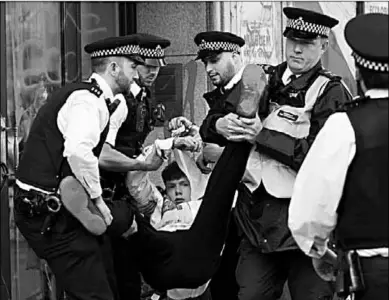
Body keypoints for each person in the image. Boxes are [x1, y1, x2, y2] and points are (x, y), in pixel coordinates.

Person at [197, 7, 354, 300]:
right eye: (292, 40)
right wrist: (220, 123)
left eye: (307, 43)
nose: (296, 49)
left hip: (306, 229)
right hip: (256, 224)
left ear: (324, 45)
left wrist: (262, 136)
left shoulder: (331, 92)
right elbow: (210, 122)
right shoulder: (261, 78)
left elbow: (321, 157)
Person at [13, 35, 144, 300]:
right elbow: (78, 151)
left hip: (59, 208)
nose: (136, 74)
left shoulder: (90, 96)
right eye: (132, 66)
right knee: (96, 294)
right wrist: (99, 201)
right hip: (47, 213)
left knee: (106, 276)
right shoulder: (87, 101)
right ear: (113, 68)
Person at [289, 13, 388, 300]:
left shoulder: (345, 125)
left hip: (370, 274)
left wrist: (317, 249)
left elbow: (311, 208)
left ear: (358, 71)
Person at [97, 33, 171, 300]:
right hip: (107, 200)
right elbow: (101, 154)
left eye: (157, 66)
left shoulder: (142, 97)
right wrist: (141, 164)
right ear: (132, 63)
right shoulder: (120, 102)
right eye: (147, 66)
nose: (153, 72)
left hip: (124, 199)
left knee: (130, 276)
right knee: (117, 280)